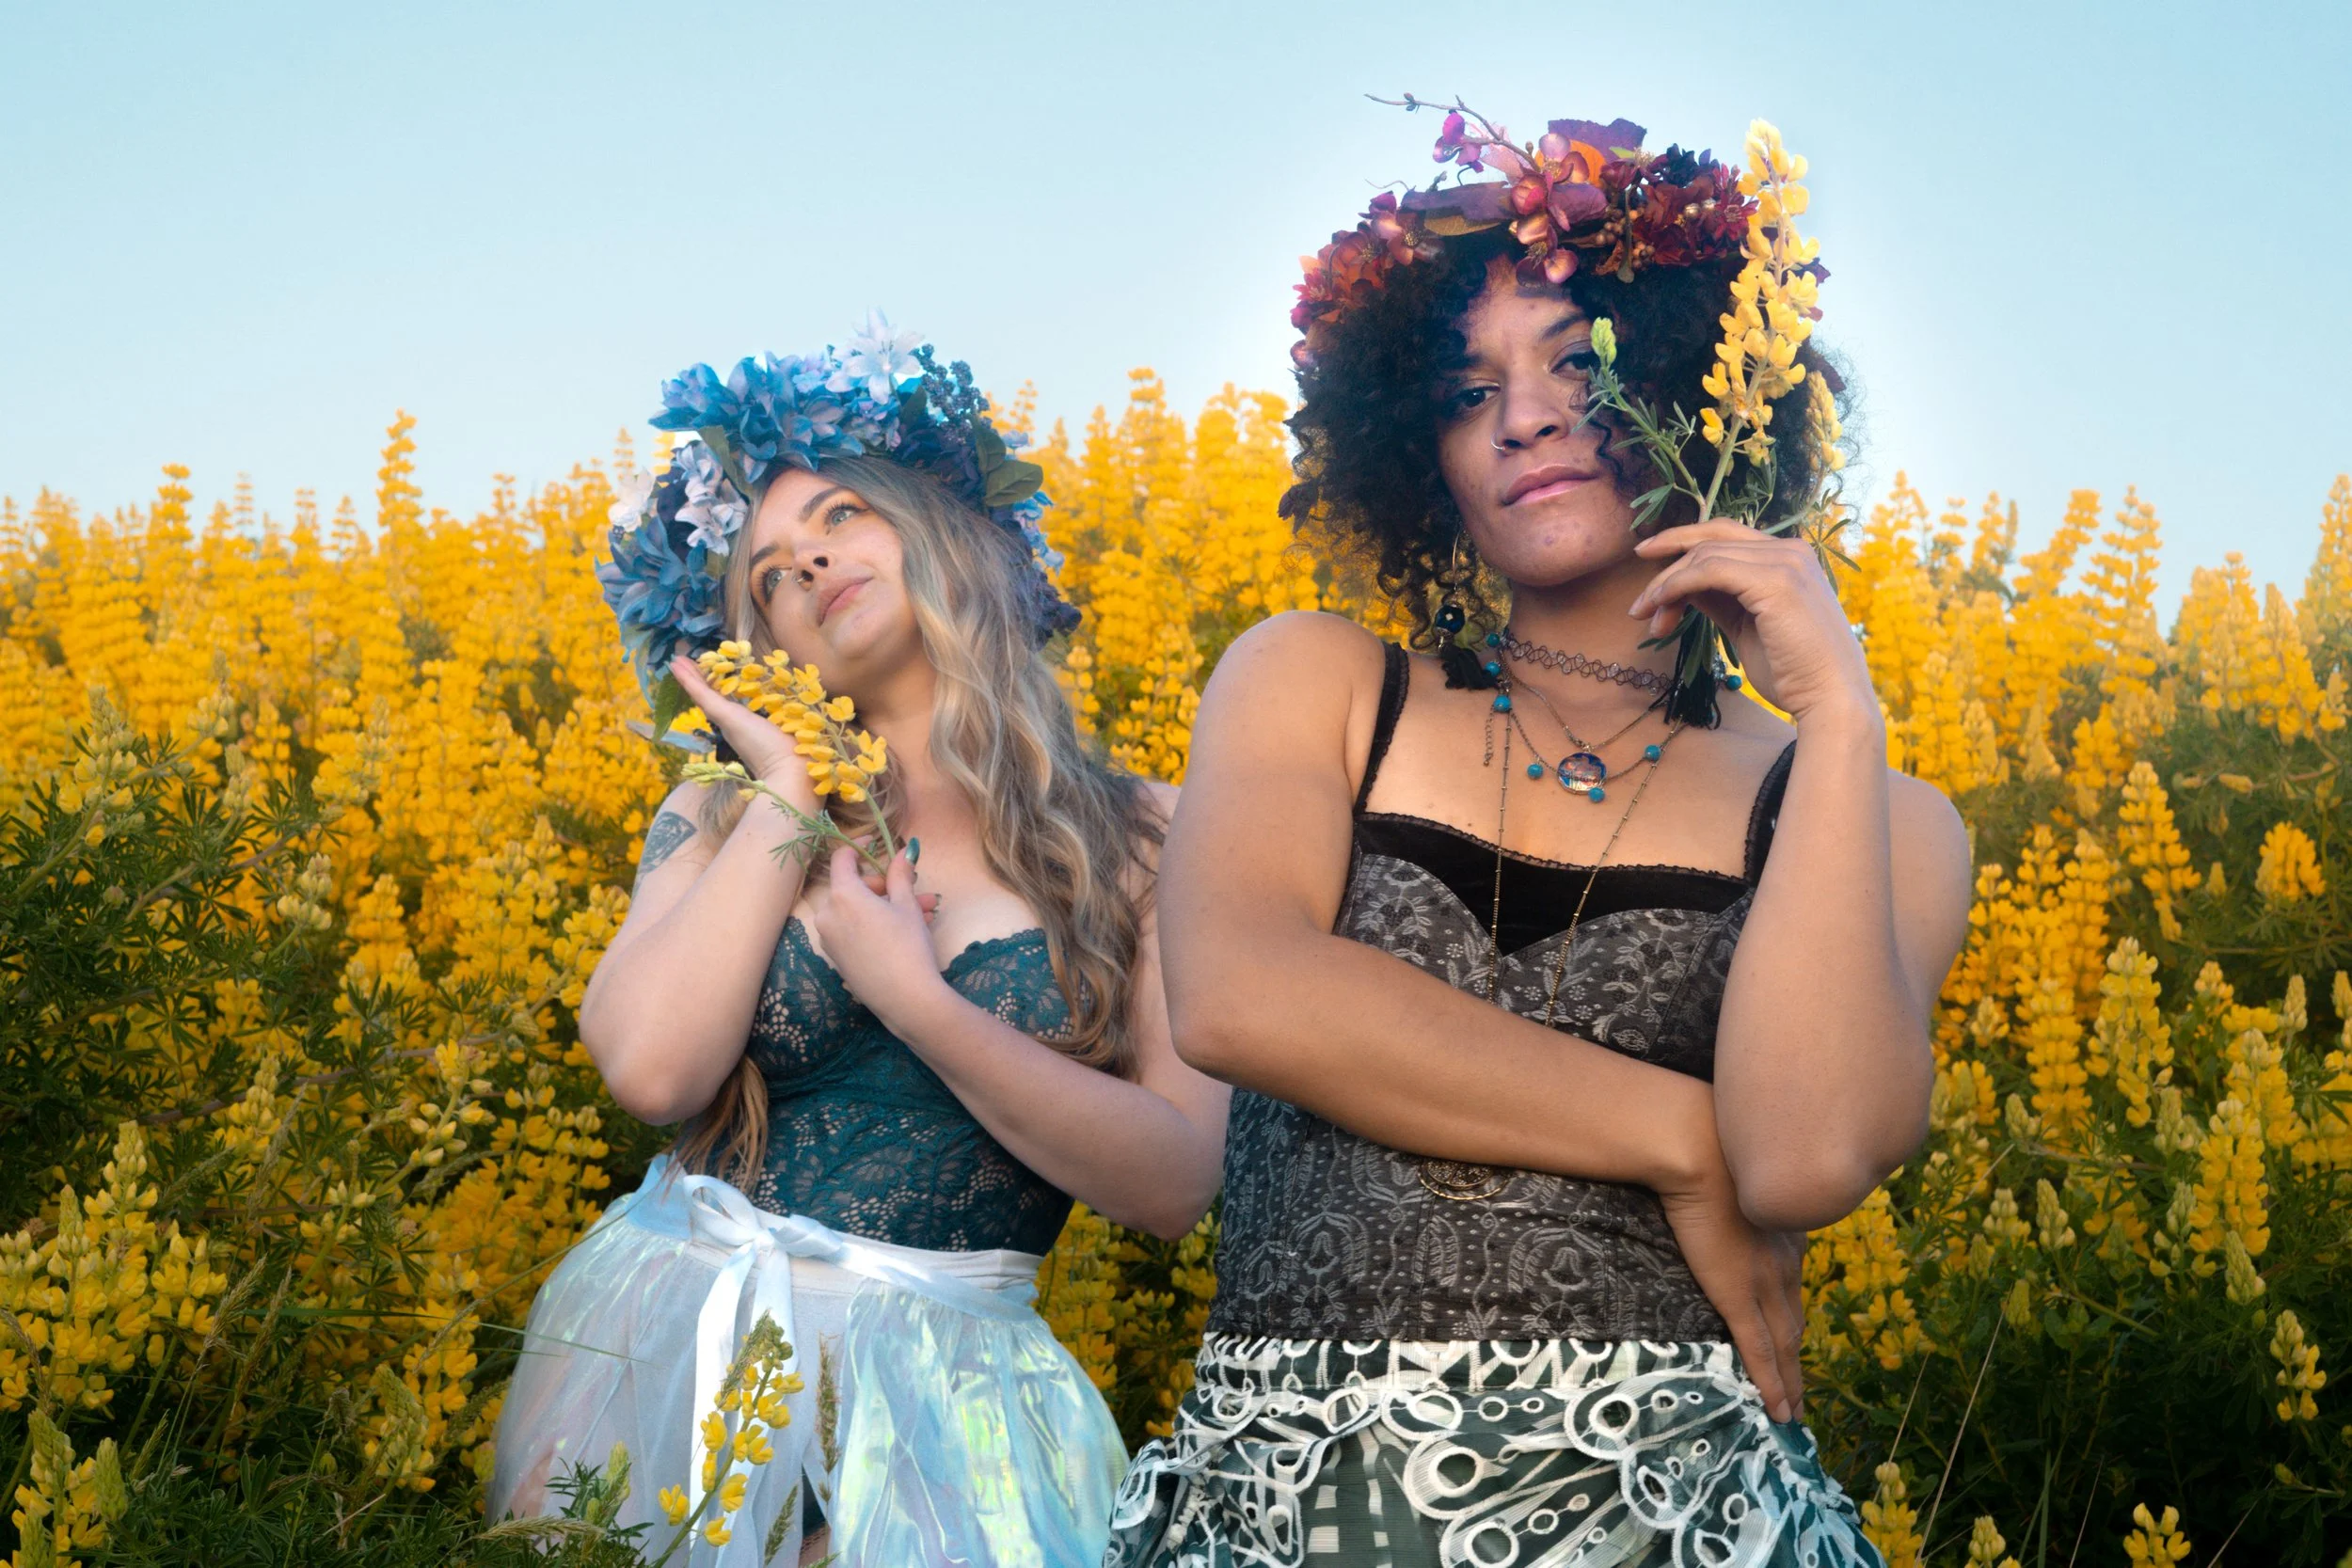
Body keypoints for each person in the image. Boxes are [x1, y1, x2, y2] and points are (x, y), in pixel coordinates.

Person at [1106, 111, 1972, 1565]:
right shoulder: (1319, 682)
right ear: (1421, 452)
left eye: (1578, 362)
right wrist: (1676, 1136)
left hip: (1677, 1526)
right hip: (1294, 1514)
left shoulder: (1874, 810)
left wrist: (1837, 714)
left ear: (1703, 382)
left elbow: (1805, 1157)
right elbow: (1242, 993)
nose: (1523, 418)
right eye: (1467, 391)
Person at [489, 323, 1228, 1567]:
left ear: (945, 529)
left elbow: (1172, 1182)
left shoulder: (1149, 835)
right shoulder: (717, 809)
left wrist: (916, 1000)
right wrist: (784, 793)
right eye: (771, 574)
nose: (811, 561)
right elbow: (653, 1071)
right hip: (671, 1347)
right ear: (762, 645)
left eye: (839, 515)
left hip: (952, 1408)